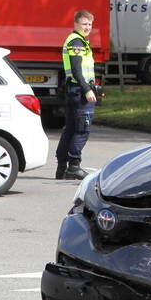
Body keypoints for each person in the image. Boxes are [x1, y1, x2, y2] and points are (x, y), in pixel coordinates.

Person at [55, 9, 98, 180]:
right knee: (81, 129)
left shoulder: (78, 41)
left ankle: (62, 168)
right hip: (79, 91)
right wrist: (87, 89)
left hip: (74, 90)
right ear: (76, 24)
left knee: (71, 129)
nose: (87, 27)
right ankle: (74, 166)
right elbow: (76, 69)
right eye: (84, 24)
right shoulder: (76, 42)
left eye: (89, 24)